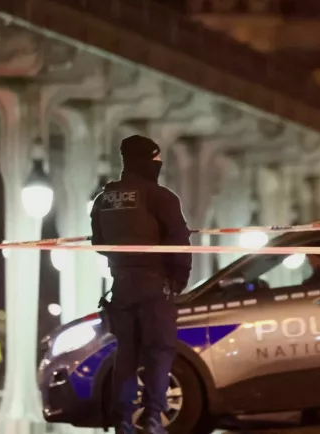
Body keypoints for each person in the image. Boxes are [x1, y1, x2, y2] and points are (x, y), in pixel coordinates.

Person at [91, 135, 192, 434]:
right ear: (146, 160)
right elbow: (179, 242)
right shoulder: (161, 197)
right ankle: (152, 419)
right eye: (156, 158)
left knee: (126, 354)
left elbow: (98, 243)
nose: (159, 164)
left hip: (121, 287)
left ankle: (123, 421)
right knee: (159, 352)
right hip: (155, 286)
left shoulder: (104, 199)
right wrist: (178, 280)